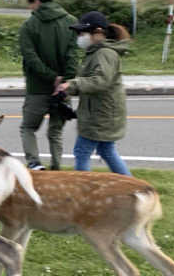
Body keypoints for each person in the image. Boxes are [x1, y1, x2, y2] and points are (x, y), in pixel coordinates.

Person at [55, 11, 132, 176]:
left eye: (83, 33)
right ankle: (132, 186)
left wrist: (73, 83)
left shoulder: (105, 53)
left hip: (101, 115)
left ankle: (83, 190)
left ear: (98, 32)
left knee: (82, 152)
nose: (80, 36)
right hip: (101, 113)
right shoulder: (96, 52)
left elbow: (100, 81)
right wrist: (67, 88)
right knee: (107, 151)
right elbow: (88, 80)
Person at [18, 0, 80, 171]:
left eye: (31, 4)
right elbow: (73, 55)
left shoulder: (29, 26)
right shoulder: (71, 21)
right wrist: (64, 79)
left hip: (37, 87)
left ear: (36, 1)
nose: (30, 8)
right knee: (55, 132)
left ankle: (35, 164)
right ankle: (56, 166)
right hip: (63, 89)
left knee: (28, 128)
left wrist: (50, 76)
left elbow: (31, 58)